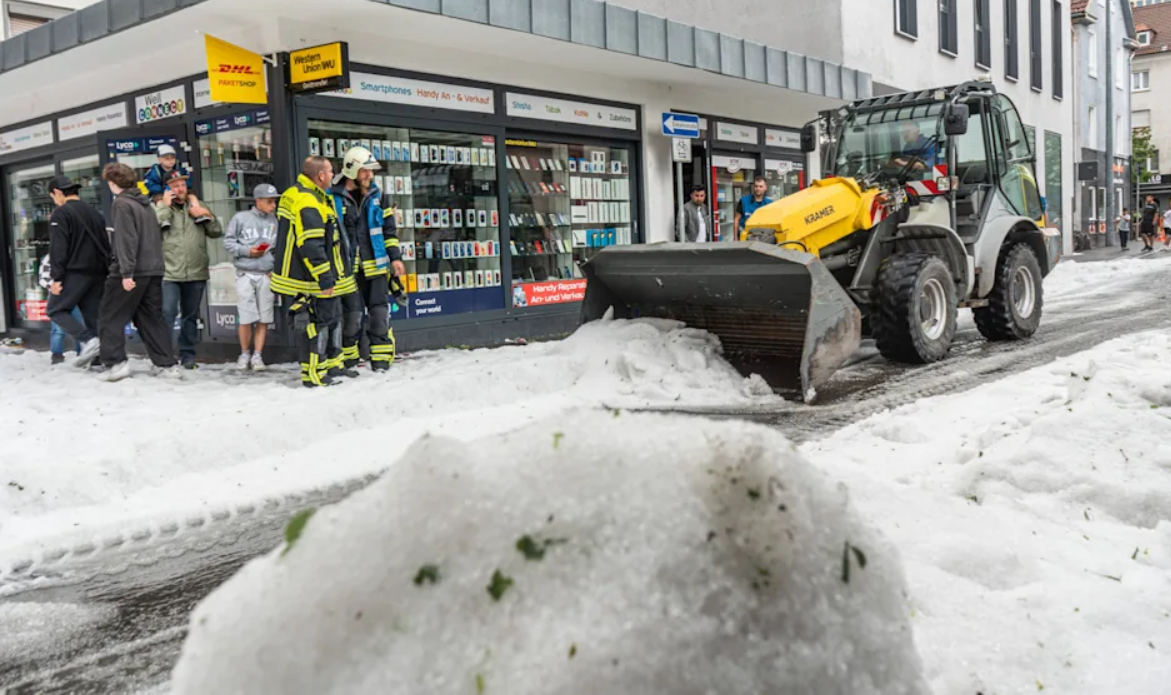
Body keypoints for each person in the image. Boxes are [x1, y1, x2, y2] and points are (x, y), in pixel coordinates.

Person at [272, 156, 358, 388]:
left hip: (310, 275)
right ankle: (314, 375)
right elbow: (311, 244)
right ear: (320, 175)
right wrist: (324, 276)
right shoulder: (307, 200)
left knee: (331, 318)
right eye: (330, 171)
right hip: (308, 278)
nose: (333, 175)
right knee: (317, 324)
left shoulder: (307, 194)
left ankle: (332, 366)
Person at [95, 162, 179, 382]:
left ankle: (115, 363)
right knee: (151, 318)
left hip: (133, 269)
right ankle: (166, 365)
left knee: (110, 315)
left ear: (112, 183)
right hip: (153, 269)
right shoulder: (145, 204)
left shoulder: (121, 204)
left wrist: (126, 273)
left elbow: (126, 240)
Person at [329, 146, 403, 374]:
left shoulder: (380, 197)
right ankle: (349, 362)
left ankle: (380, 362)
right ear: (351, 170)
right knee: (352, 317)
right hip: (347, 269)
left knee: (380, 314)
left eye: (371, 172)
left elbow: (389, 232)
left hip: (377, 267)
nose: (369, 176)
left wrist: (396, 259)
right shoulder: (332, 197)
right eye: (364, 171)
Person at [156, 170, 224, 369]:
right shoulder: (160, 208)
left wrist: (207, 215)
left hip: (196, 271)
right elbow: (152, 228)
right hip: (170, 271)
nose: (180, 189)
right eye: (175, 185)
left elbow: (216, 232)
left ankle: (188, 356)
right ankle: (164, 356)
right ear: (168, 189)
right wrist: (164, 207)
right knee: (167, 313)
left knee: (190, 316)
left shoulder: (198, 206)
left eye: (183, 185)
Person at [43, 175, 110, 367]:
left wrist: (56, 278)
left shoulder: (61, 213)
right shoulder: (95, 213)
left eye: (53, 197)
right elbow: (106, 244)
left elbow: (58, 248)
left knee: (55, 309)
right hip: (98, 273)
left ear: (57, 192)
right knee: (93, 316)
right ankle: (98, 361)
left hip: (74, 272)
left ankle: (88, 340)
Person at [224, 184, 280, 371]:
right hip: (245, 272)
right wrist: (248, 251)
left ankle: (257, 355)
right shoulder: (240, 218)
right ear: (258, 201)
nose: (273, 205)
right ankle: (244, 352)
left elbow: (278, 247)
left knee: (264, 317)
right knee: (246, 317)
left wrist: (275, 267)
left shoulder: (275, 220)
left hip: (266, 273)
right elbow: (228, 242)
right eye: (269, 201)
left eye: (274, 201)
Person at [38, 254, 84, 365]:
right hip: (58, 296)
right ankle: (57, 355)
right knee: (58, 329)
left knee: (79, 325)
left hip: (75, 296)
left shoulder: (76, 256)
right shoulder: (50, 257)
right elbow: (43, 278)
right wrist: (54, 287)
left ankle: (81, 353)